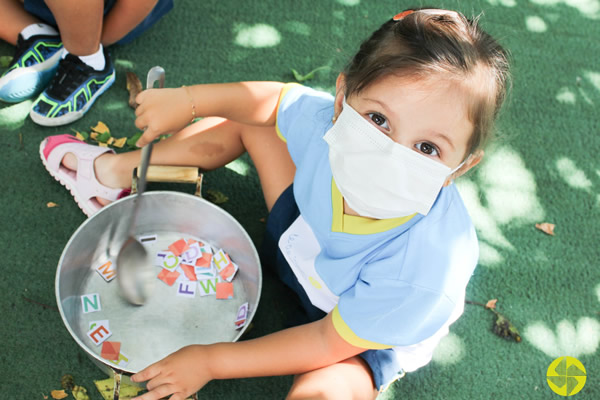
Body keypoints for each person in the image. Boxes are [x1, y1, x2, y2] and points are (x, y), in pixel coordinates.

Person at [39, 7, 510, 399]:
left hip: (363, 333)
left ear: (460, 167)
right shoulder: (325, 123)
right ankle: (114, 174)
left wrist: (210, 360)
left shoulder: (425, 274)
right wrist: (189, 101)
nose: (391, 152)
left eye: (428, 148)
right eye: (379, 119)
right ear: (341, 98)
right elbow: (273, 102)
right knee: (254, 122)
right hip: (303, 239)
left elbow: (327, 339)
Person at [0, 0, 173, 126]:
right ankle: (35, 34)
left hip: (104, 13)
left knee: (84, 43)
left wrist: (91, 44)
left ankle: (88, 60)